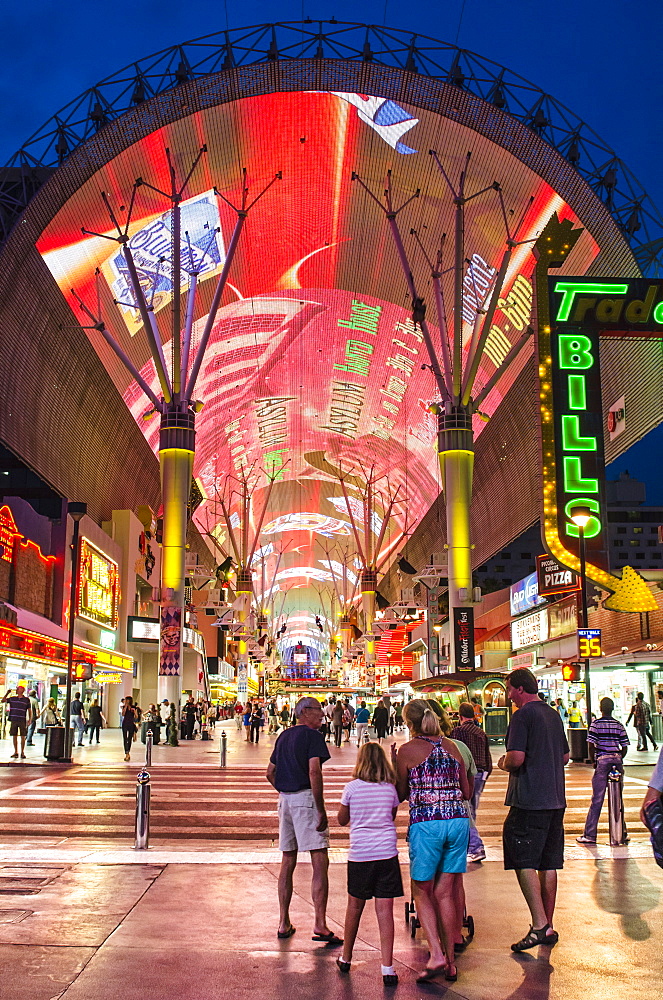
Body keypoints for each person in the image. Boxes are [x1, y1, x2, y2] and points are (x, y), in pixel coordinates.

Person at [394, 699, 470, 984]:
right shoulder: (453, 747)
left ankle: (436, 953)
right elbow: (466, 790)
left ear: (409, 723)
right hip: (458, 821)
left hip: (427, 824)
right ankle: (450, 963)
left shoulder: (408, 750)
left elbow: (401, 792)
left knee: (422, 890)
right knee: (445, 893)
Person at [498, 668, 569, 953]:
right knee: (548, 862)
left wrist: (503, 762)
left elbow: (516, 758)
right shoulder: (552, 714)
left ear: (519, 689)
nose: (508, 696)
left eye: (509, 690)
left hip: (529, 798)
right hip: (555, 799)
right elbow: (565, 756)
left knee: (522, 855)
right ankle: (548, 924)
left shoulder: (522, 715)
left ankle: (539, 924)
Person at [266, 696, 342, 945]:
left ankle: (283, 921)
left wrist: (284, 790)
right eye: (319, 710)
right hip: (305, 798)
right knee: (319, 858)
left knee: (288, 859)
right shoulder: (312, 737)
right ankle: (320, 923)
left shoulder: (284, 736)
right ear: (305, 712)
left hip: (285, 800)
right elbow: (314, 772)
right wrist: (319, 809)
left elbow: (270, 772)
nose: (322, 715)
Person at [336, 742, 402, 986]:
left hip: (361, 854)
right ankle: (387, 967)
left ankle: (346, 957)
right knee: (385, 912)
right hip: (386, 853)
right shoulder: (389, 789)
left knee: (354, 907)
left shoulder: (351, 788)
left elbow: (342, 820)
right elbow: (391, 815)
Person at [577, 697, 629, 845]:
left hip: (602, 760)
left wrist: (594, 760)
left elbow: (591, 745)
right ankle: (622, 833)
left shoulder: (596, 724)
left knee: (597, 799)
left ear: (601, 708)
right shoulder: (618, 725)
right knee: (618, 799)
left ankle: (590, 834)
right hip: (616, 761)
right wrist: (618, 757)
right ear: (612, 708)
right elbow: (624, 746)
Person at [451, 702, 493, 863]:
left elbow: (456, 755)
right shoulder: (481, 732)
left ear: (460, 716)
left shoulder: (458, 732)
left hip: (467, 775)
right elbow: (488, 757)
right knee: (471, 809)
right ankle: (469, 843)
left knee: (466, 811)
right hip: (481, 774)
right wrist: (486, 775)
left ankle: (474, 846)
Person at [1, 686, 32, 759]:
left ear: (22, 690)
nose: (17, 690)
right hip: (14, 718)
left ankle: (22, 752)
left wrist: (30, 719)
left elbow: (29, 710)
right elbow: (3, 700)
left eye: (18, 689)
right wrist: (7, 693)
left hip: (22, 719)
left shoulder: (26, 700)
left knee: (23, 735)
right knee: (14, 735)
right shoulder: (12, 699)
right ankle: (16, 752)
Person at [121, 695, 137, 761]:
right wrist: (125, 707)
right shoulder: (124, 707)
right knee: (125, 738)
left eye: (127, 700)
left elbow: (136, 716)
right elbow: (123, 714)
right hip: (125, 723)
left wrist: (134, 711)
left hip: (131, 723)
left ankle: (128, 752)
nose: (126, 701)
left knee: (129, 739)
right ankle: (126, 753)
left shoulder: (134, 707)